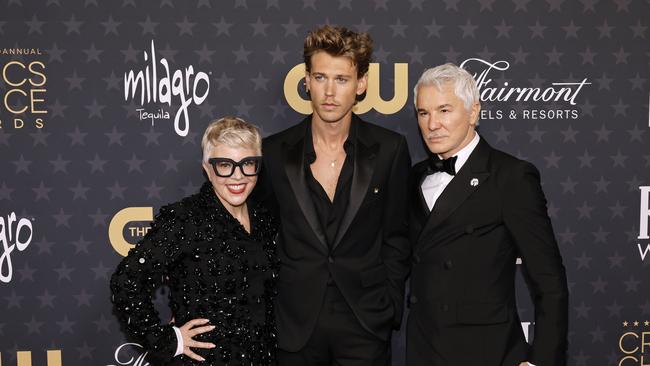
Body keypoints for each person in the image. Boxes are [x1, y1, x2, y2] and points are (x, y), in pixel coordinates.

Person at [257, 25, 411, 365]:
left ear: (361, 84)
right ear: (307, 81)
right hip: (295, 324)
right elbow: (262, 234)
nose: (329, 91)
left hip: (366, 321)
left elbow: (397, 236)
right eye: (321, 77)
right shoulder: (273, 151)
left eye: (341, 79)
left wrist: (389, 306)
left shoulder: (389, 150)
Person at [406, 63, 569, 366]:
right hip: (423, 350)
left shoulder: (510, 177)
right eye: (423, 113)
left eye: (444, 110)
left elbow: (549, 280)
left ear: (473, 112)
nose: (432, 124)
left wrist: (542, 360)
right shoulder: (414, 177)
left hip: (488, 352)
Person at [110, 117, 278, 366]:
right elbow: (126, 282)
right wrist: (168, 340)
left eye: (247, 163)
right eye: (224, 165)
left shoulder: (264, 218)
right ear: (207, 168)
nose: (237, 176)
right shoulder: (185, 219)